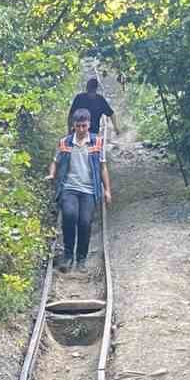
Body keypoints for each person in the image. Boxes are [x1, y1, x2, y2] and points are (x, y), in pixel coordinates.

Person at [48, 108, 111, 268]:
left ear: (89, 124)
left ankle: (81, 259)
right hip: (69, 187)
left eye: (84, 126)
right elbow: (55, 161)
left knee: (85, 222)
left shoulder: (97, 142)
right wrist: (52, 174)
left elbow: (103, 167)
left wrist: (107, 190)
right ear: (73, 126)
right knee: (69, 215)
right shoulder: (65, 142)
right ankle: (68, 256)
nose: (81, 129)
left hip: (89, 189)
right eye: (78, 126)